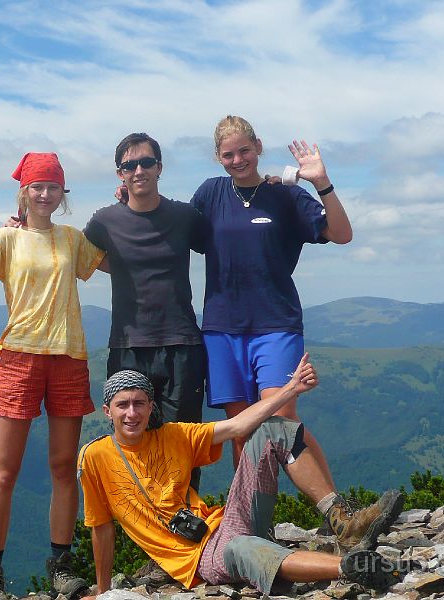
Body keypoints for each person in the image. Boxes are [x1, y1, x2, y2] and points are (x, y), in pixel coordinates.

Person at [77, 364, 415, 597]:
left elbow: (238, 427)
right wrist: (103, 590)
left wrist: (291, 389)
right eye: (123, 405)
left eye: (139, 404)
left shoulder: (174, 435)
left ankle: (342, 521)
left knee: (273, 429)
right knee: (241, 548)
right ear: (107, 411)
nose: (132, 413)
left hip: (225, 521)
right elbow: (101, 526)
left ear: (152, 407)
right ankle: (352, 567)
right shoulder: (94, 458)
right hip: (199, 559)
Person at [0, 152, 105, 600]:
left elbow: (120, 259)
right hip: (19, 357)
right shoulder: (4, 240)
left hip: (69, 357)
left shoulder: (73, 240)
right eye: (38, 186)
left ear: (62, 194)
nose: (46, 194)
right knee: (3, 471)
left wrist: (127, 206)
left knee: (61, 467)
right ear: (24, 192)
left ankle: (61, 567)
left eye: (54, 187)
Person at [190, 116, 352, 498]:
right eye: (228, 154)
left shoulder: (286, 195)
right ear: (218, 157)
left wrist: (321, 183)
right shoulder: (209, 194)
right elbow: (169, 226)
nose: (238, 159)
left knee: (281, 420)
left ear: (258, 147)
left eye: (244, 150)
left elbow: (342, 234)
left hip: (275, 324)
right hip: (221, 328)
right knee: (241, 429)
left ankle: (337, 512)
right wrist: (128, 199)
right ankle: (249, 526)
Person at [82, 132, 207, 480]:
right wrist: (22, 229)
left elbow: (225, 239)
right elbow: (75, 255)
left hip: (181, 346)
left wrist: (268, 187)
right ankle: (143, 530)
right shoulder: (104, 221)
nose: (139, 170)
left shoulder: (185, 216)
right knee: (132, 447)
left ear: (159, 167)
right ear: (120, 173)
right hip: (128, 348)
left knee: (183, 444)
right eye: (129, 165)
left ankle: (186, 527)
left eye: (146, 162)